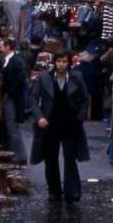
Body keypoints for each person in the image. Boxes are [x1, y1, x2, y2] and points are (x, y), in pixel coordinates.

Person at [29, 51, 90, 204]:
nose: (61, 65)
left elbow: (85, 98)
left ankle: (72, 191)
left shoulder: (77, 77)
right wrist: (39, 117)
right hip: (50, 123)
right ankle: (54, 190)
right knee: (51, 158)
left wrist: (80, 118)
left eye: (64, 61)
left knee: (70, 156)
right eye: (59, 61)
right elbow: (33, 99)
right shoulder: (44, 77)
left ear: (68, 63)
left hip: (70, 123)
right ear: (54, 63)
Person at [0, 37, 28, 164]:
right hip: (7, 97)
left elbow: (20, 81)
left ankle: (19, 156)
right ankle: (10, 152)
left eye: (1, 46)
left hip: (12, 98)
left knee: (12, 126)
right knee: (8, 126)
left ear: (8, 46)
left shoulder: (16, 61)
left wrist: (9, 94)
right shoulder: (5, 60)